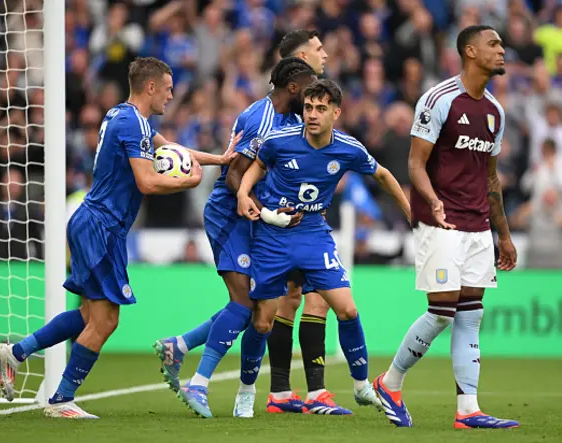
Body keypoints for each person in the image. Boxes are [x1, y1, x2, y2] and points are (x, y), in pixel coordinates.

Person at [0, 57, 236, 418]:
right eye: (168, 89)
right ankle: (61, 400)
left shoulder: (122, 116)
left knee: (92, 313)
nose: (171, 96)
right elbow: (148, 181)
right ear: (150, 87)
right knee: (106, 321)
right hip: (101, 226)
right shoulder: (131, 124)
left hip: (97, 224)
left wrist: (220, 158)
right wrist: (189, 181)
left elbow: (171, 150)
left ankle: (17, 352)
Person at [233, 79, 411, 418]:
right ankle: (246, 391)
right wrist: (244, 193)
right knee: (262, 321)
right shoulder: (279, 140)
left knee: (346, 309)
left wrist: (410, 212)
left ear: (336, 113)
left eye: (320, 109)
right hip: (273, 237)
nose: (312, 115)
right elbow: (256, 165)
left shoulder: (348, 148)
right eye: (309, 108)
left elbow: (384, 175)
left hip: (315, 235)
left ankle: (361, 387)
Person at [152, 57, 317, 419]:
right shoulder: (261, 118)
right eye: (310, 86)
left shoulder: (296, 120)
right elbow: (233, 176)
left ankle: (189, 352)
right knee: (243, 304)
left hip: (265, 223)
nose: (314, 96)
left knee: (263, 316)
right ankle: (199, 382)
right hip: (233, 215)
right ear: (293, 86)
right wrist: (267, 210)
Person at [373, 25, 520, 429]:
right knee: (441, 311)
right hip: (439, 221)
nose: (502, 50)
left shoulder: (494, 112)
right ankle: (390, 382)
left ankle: (467, 409)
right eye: (494, 44)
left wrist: (502, 234)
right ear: (470, 51)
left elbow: (491, 178)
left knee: (470, 314)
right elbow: (415, 164)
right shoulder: (439, 100)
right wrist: (432, 201)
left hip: (477, 227)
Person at [264, 29, 354, 416]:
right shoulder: (271, 113)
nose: (326, 54)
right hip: (279, 224)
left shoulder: (311, 102)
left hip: (311, 219)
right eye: (318, 50)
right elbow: (251, 164)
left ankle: (298, 392)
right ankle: (286, 391)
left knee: (302, 299)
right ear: (300, 58)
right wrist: (263, 209)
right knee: (271, 306)